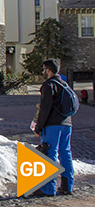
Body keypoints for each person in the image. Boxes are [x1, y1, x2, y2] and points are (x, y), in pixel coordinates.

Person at [32, 59, 74, 197]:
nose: (43, 72)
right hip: (67, 123)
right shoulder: (64, 84)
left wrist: (39, 127)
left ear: (49, 70)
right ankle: (67, 186)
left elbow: (45, 108)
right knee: (65, 152)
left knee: (50, 154)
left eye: (44, 69)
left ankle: (48, 189)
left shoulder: (48, 85)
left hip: (52, 125)